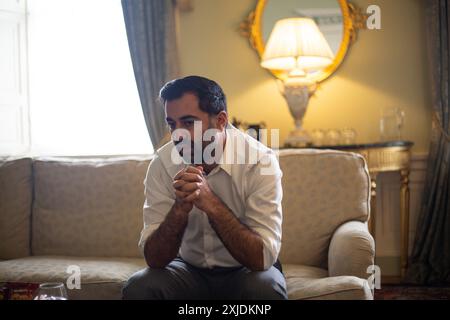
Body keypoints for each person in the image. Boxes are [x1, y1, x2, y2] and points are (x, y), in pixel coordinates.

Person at [122, 75, 287, 300]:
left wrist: (212, 205)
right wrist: (179, 209)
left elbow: (262, 258)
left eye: (189, 122)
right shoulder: (163, 163)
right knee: (141, 286)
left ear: (220, 121)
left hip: (247, 270)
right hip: (187, 269)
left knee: (263, 288)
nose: (177, 135)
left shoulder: (260, 162)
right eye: (172, 124)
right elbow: (154, 259)